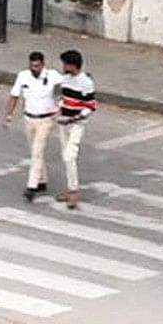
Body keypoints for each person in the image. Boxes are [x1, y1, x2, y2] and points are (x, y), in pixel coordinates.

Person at [12, 51, 62, 201]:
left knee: (37, 151)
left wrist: (60, 104)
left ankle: (31, 186)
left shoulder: (51, 75)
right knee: (34, 150)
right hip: (29, 119)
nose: (35, 69)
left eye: (38, 66)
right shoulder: (23, 76)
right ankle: (41, 180)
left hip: (46, 120)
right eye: (33, 66)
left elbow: (66, 83)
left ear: (43, 64)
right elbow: (14, 95)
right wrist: (9, 114)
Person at [52, 51, 97, 208]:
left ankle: (74, 192)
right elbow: (63, 99)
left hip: (77, 124)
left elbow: (90, 106)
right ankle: (71, 188)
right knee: (66, 156)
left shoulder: (86, 83)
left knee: (69, 156)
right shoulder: (65, 80)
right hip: (64, 122)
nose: (63, 67)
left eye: (65, 64)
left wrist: (76, 117)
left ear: (72, 65)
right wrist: (58, 110)